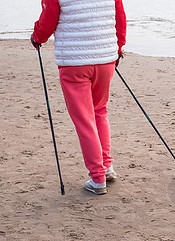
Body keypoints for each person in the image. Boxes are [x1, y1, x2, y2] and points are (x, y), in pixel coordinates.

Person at [31, 0, 127, 195]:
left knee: (85, 119)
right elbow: (120, 18)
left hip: (74, 62)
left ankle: (97, 177)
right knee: (99, 111)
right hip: (105, 58)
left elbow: (49, 18)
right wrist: (118, 47)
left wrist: (37, 37)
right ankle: (106, 167)